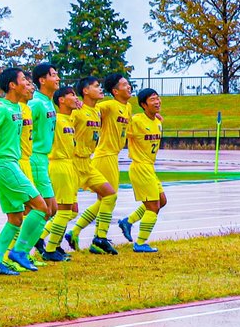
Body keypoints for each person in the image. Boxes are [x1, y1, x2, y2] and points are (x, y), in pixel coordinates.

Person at [0, 67, 49, 275]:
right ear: (12, 85)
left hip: (9, 165)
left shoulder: (17, 109)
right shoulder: (2, 109)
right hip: (5, 165)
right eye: (23, 80)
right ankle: (20, 250)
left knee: (15, 219)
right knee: (41, 208)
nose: (28, 84)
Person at [75, 73, 134, 253]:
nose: (129, 86)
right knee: (109, 197)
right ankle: (98, 237)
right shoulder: (108, 105)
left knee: (105, 200)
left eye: (128, 83)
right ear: (115, 91)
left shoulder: (129, 107)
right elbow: (91, 109)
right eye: (124, 84)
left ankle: (78, 232)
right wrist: (79, 104)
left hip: (113, 156)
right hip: (103, 155)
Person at [63, 77, 120, 255]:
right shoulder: (77, 112)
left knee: (110, 194)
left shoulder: (96, 112)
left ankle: (100, 237)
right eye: (96, 86)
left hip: (88, 163)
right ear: (85, 91)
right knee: (67, 211)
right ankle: (42, 240)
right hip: (74, 164)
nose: (100, 88)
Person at [38, 84, 85, 261]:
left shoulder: (70, 119)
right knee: (63, 211)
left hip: (70, 165)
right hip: (58, 165)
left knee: (72, 210)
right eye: (71, 95)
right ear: (61, 100)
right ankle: (50, 249)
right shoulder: (55, 119)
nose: (76, 98)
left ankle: (45, 240)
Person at [118, 89, 168, 252]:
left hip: (150, 167)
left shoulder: (158, 122)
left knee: (162, 201)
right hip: (140, 167)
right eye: (152, 99)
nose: (157, 102)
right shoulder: (137, 121)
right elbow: (121, 128)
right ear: (143, 105)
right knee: (153, 206)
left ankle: (128, 221)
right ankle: (140, 243)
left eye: (158, 98)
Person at [27, 63, 60, 246]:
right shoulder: (36, 103)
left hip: (43, 158)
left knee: (47, 209)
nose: (57, 78)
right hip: (35, 157)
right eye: (53, 75)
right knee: (47, 208)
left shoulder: (48, 103)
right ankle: (16, 247)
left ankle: (25, 246)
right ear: (42, 80)